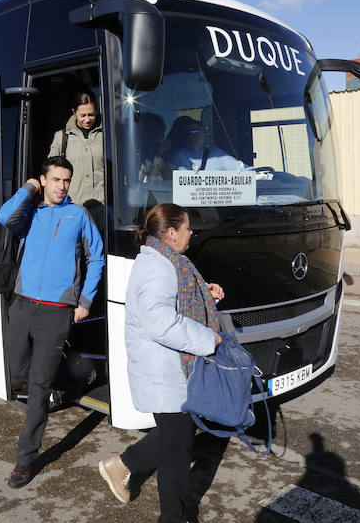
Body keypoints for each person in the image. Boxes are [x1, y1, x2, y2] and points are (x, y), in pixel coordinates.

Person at [98, 203, 224, 522]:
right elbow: (159, 320)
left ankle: (124, 467)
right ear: (171, 233)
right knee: (176, 453)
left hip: (171, 372)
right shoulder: (158, 266)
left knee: (175, 444)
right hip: (165, 374)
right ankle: (173, 515)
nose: (190, 232)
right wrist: (208, 338)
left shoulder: (165, 260)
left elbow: (174, 301)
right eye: (186, 228)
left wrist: (203, 294)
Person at [0, 155, 104, 489]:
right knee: (15, 372)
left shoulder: (78, 215)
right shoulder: (30, 213)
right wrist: (28, 188)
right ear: (44, 180)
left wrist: (84, 301)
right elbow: (2, 216)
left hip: (57, 312)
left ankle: (25, 460)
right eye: (56, 179)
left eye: (66, 180)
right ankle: (73, 371)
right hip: (23, 306)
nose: (62, 186)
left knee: (39, 386)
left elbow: (95, 257)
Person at [47, 92, 105, 209]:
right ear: (74, 112)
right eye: (82, 115)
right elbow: (51, 173)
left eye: (91, 115)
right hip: (72, 206)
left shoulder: (107, 135)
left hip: (102, 206)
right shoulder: (62, 137)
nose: (87, 119)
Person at [168, 115, 247, 171]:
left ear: (205, 135)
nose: (191, 136)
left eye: (195, 131)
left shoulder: (216, 154)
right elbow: (165, 178)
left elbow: (243, 170)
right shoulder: (178, 155)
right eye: (187, 133)